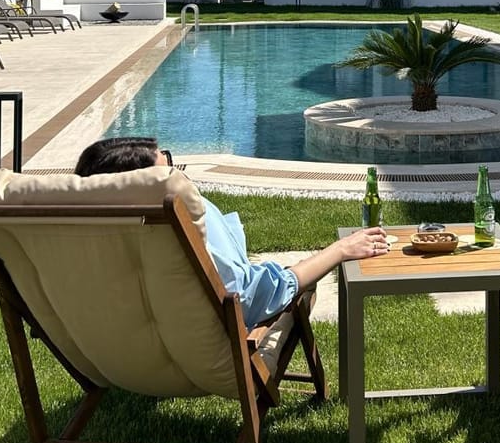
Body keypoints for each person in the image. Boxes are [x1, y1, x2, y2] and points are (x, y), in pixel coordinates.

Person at [74, 136, 387, 330]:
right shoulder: (180, 225)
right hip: (197, 352)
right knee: (304, 287)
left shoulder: (78, 241)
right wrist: (340, 250)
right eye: (170, 170)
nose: (179, 173)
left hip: (114, 361)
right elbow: (254, 298)